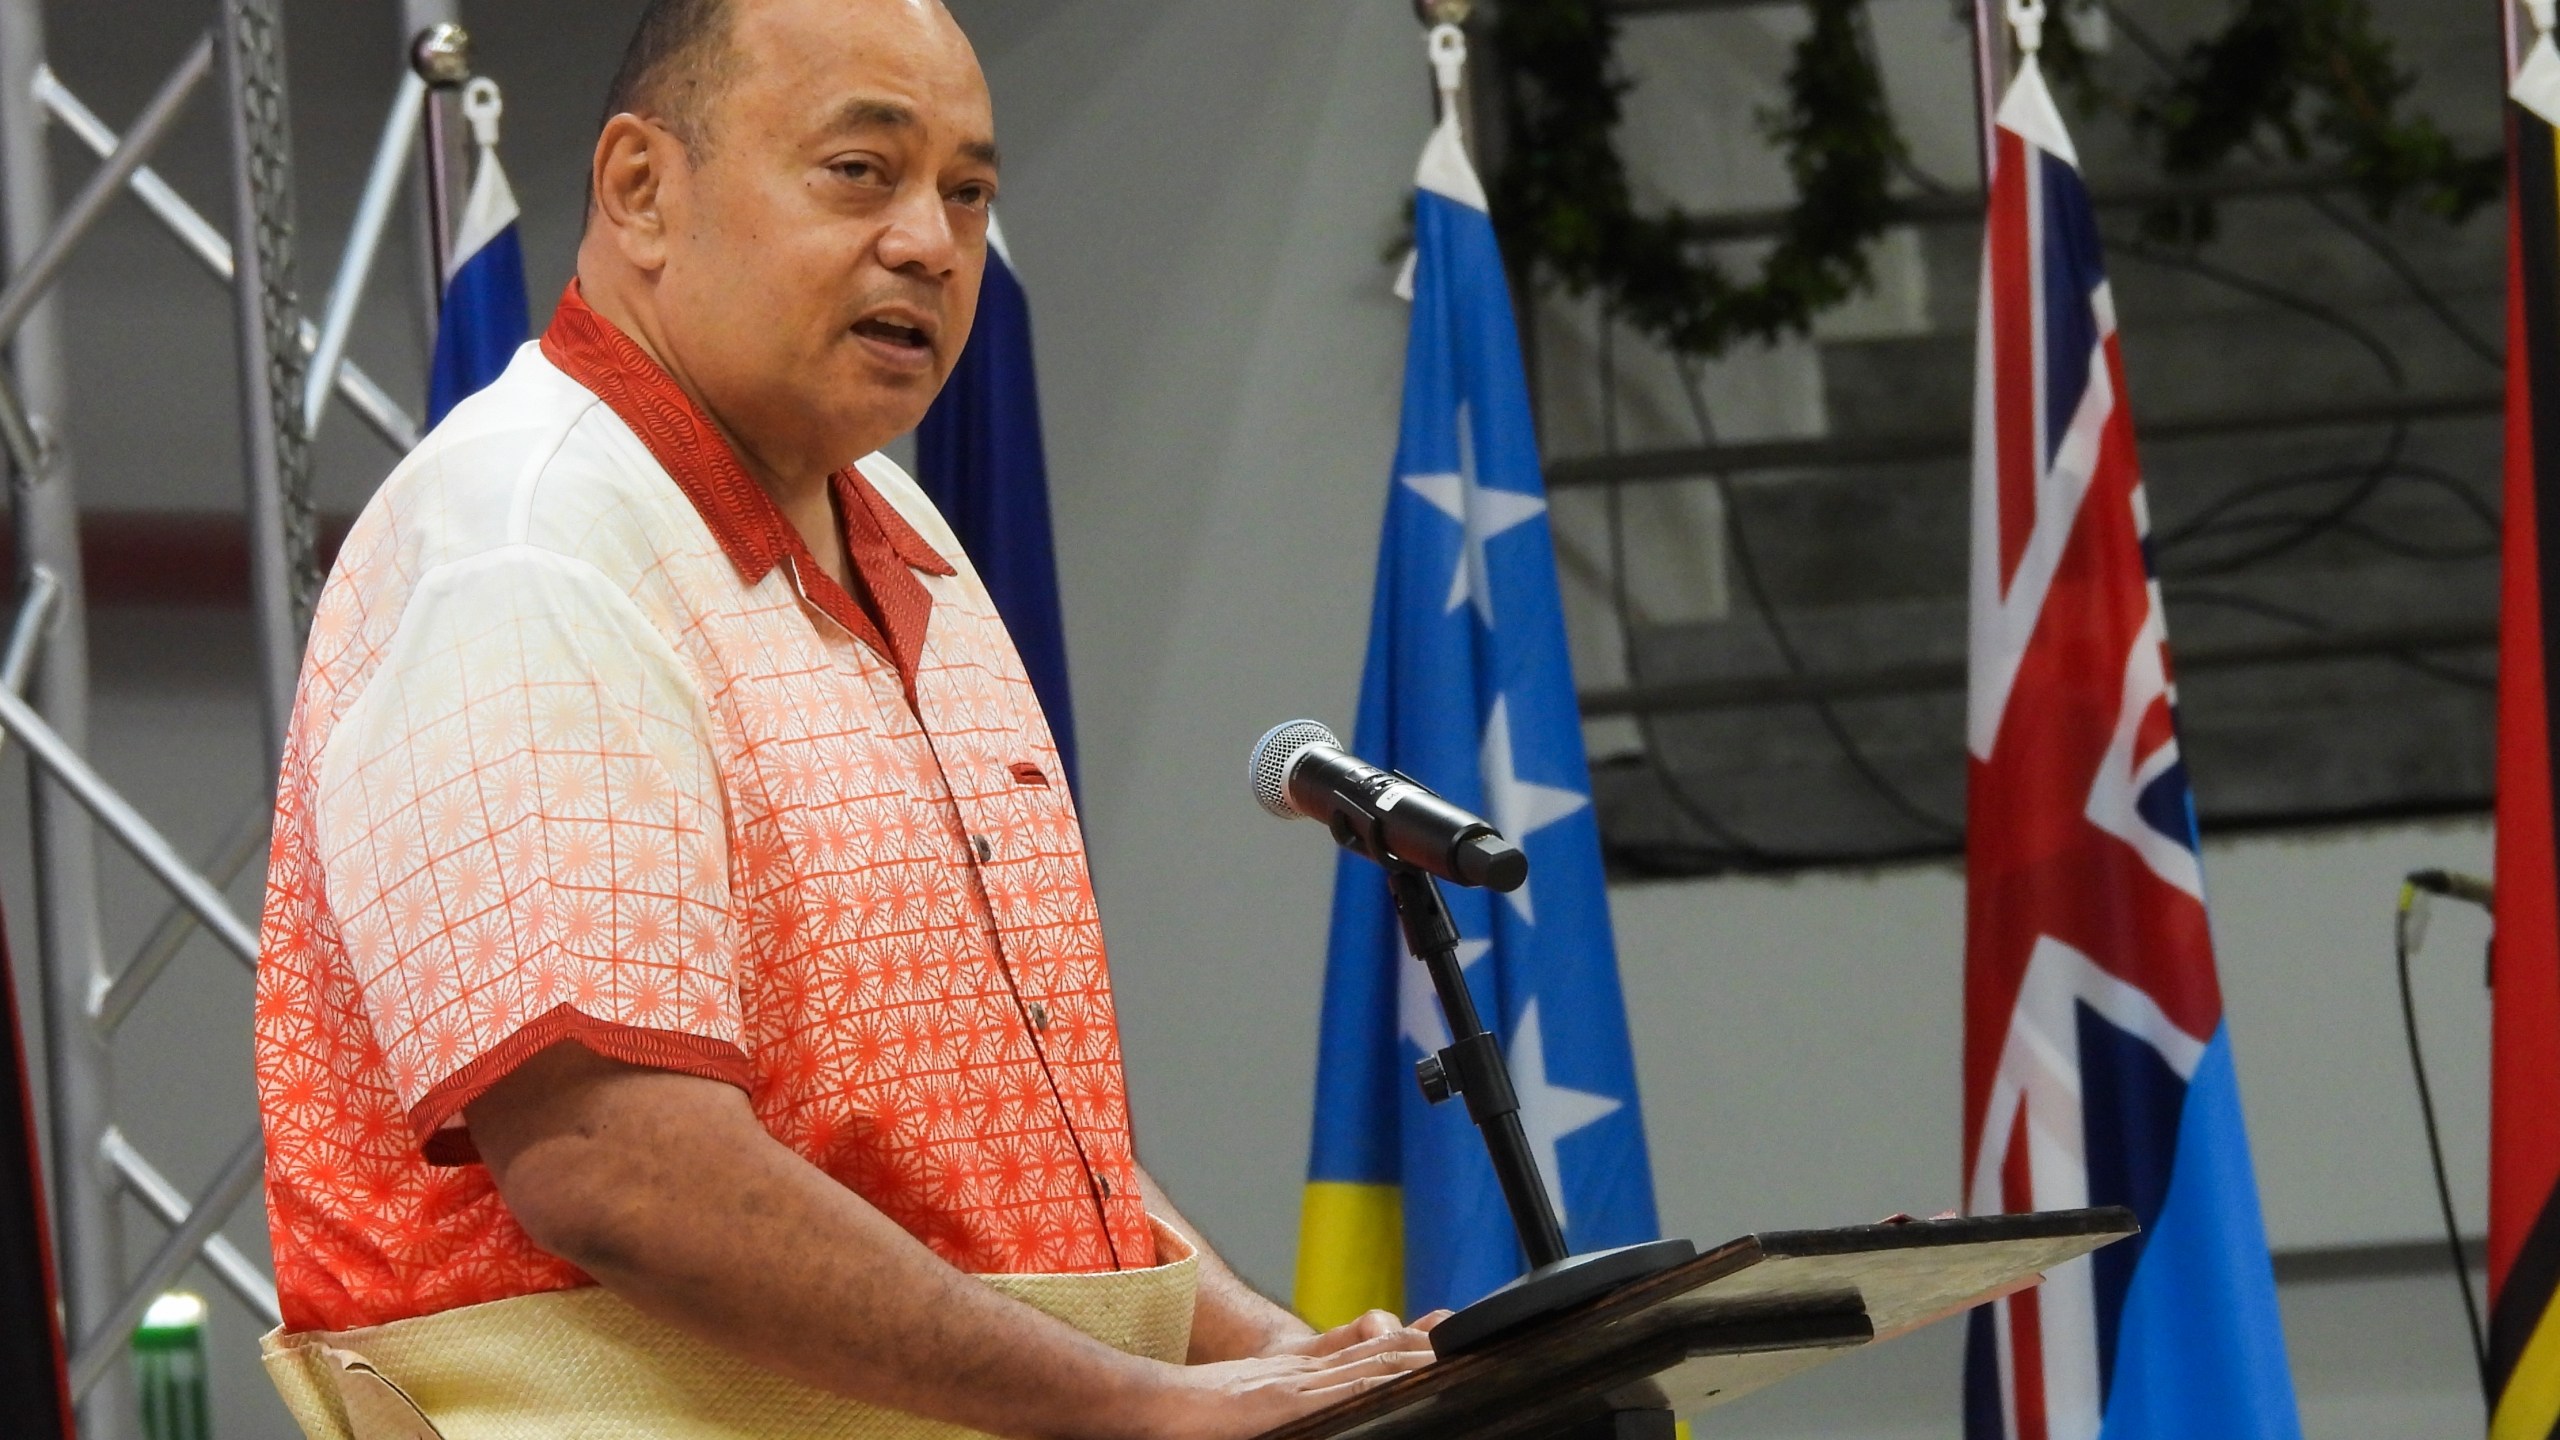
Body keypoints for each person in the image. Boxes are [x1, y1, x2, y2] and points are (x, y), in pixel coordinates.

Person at [250, 1, 1441, 1435]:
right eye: (861, 172)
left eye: (968, 189)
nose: (934, 243)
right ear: (640, 190)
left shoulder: (899, 522)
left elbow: (989, 1147)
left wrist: (1272, 1357)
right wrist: (1135, 1406)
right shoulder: (534, 542)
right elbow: (624, 1173)